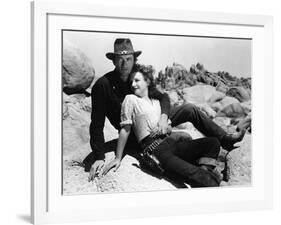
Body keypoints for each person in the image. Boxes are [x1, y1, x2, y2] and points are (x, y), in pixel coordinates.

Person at [84, 38, 246, 182]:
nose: (124, 64)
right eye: (120, 59)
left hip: (154, 121)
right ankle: (204, 170)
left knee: (189, 108)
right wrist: (99, 156)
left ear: (134, 59)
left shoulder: (138, 76)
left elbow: (163, 98)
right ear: (113, 61)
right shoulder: (102, 86)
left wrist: (163, 118)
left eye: (128, 59)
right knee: (181, 143)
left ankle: (225, 139)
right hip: (136, 134)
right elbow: (96, 124)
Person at [102, 64, 222, 187]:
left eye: (137, 80)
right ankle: (205, 179)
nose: (133, 84)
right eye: (131, 81)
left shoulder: (157, 102)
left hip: (171, 143)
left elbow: (169, 128)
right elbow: (125, 129)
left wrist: (165, 128)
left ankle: (204, 173)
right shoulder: (131, 99)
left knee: (213, 143)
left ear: (147, 81)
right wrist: (118, 157)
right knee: (199, 175)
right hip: (156, 150)